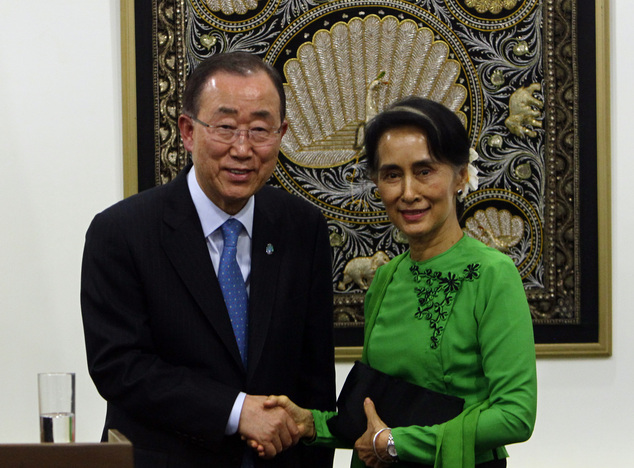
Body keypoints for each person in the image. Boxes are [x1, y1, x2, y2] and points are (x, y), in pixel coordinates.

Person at [80, 52, 336, 468]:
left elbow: (315, 384)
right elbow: (119, 366)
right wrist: (236, 412)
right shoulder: (122, 232)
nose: (242, 148)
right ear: (187, 131)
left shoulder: (302, 228)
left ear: (281, 133)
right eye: (225, 127)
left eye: (259, 130)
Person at [260, 97, 537, 467]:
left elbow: (515, 415)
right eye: (392, 175)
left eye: (425, 171)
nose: (408, 192)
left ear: (461, 175)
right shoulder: (386, 277)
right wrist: (312, 424)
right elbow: (378, 411)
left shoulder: (492, 275)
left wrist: (397, 444)